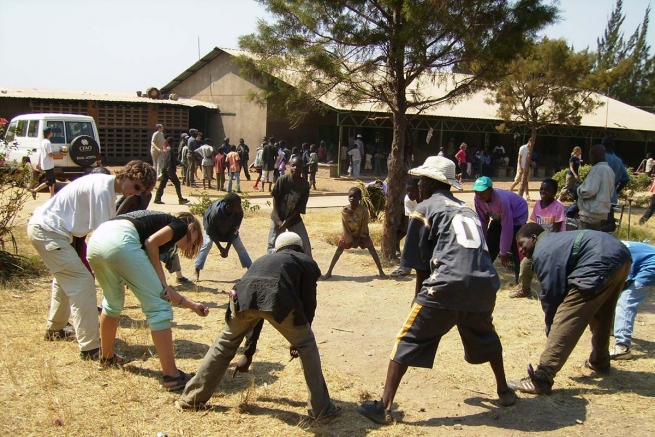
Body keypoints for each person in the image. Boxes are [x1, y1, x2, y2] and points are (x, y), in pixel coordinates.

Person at [357, 156, 515, 425]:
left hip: (446, 285)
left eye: (420, 181)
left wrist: (417, 300)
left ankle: (383, 406)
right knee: (487, 336)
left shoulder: (425, 208)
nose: (417, 186)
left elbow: (421, 266)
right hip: (484, 286)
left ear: (429, 184)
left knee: (406, 340)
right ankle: (504, 390)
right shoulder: (466, 210)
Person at [176, 232, 342, 424]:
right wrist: (299, 337)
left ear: (278, 249)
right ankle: (322, 410)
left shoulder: (263, 260)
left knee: (224, 344)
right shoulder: (305, 261)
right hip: (276, 297)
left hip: (240, 297)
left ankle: (191, 399)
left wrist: (248, 352)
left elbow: (258, 308)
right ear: (301, 248)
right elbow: (308, 303)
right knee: (307, 345)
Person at [28, 160, 156, 359]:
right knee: (82, 282)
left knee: (66, 281)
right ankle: (91, 348)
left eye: (142, 191)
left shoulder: (106, 187)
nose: (136, 193)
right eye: (137, 186)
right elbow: (104, 238)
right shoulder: (103, 192)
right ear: (126, 175)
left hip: (52, 232)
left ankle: (55, 329)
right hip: (48, 231)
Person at [87, 211, 208, 390]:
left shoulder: (151, 229)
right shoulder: (179, 226)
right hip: (120, 242)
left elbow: (160, 289)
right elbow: (152, 246)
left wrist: (191, 305)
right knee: (158, 308)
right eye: (193, 239)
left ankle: (106, 357)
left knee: (112, 303)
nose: (190, 245)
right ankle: (172, 376)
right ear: (191, 227)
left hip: (96, 242)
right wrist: (162, 279)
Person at [510, 224, 631, 395]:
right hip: (621, 256)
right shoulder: (555, 242)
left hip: (599, 259)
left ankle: (542, 378)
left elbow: (553, 296)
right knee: (602, 315)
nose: (521, 250)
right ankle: (600, 361)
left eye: (522, 244)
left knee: (568, 314)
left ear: (534, 238)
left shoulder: (542, 251)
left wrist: (552, 329)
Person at [511, 178, 565, 299]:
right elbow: (533, 226)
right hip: (538, 243)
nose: (543, 191)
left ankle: (552, 292)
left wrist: (545, 246)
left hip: (554, 243)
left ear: (554, 192)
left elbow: (556, 229)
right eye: (541, 189)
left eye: (547, 190)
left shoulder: (558, 207)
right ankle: (524, 289)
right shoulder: (537, 205)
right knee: (525, 264)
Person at [473, 176, 528, 284]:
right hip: (498, 218)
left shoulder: (501, 200)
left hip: (517, 216)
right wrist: (482, 242)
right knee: (490, 244)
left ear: (490, 190)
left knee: (516, 247)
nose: (479, 195)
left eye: (483, 192)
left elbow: (507, 226)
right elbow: (483, 222)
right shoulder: (477, 199)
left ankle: (521, 284)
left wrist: (503, 251)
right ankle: (482, 275)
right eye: (477, 192)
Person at [322, 187, 386, 279]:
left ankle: (381, 272)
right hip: (348, 234)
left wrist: (359, 239)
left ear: (360, 198)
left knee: (372, 250)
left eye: (355, 197)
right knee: (339, 250)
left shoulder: (363, 210)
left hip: (362, 233)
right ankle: (328, 272)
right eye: (350, 196)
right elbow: (345, 226)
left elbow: (364, 226)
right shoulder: (345, 210)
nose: (352, 198)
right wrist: (350, 240)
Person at [610, 241, 655, 360]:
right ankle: (611, 328)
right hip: (643, 263)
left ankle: (622, 347)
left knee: (626, 301)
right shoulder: (608, 246)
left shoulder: (606, 250)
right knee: (617, 293)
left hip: (650, 266)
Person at [194, 193, 252, 281]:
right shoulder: (215, 213)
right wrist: (221, 249)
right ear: (228, 206)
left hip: (228, 229)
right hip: (212, 230)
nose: (240, 207)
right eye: (237, 205)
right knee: (207, 244)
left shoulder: (238, 212)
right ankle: (197, 270)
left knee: (239, 246)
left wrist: (227, 249)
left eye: (240, 204)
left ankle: (251, 271)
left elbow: (234, 230)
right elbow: (211, 231)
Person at [268, 156, 311, 256]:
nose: (296, 168)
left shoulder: (304, 185)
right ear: (289, 166)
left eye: (299, 166)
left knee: (305, 245)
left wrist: (287, 221)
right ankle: (270, 269)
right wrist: (279, 220)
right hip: (277, 216)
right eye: (293, 165)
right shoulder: (282, 180)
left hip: (294, 218)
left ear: (302, 168)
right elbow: (275, 200)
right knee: (272, 246)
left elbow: (299, 207)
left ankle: (310, 269)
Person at [576, 144, 614, 230]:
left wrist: (578, 190)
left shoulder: (596, 169)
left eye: (590, 156)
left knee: (585, 239)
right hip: (602, 213)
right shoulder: (609, 170)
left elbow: (588, 191)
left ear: (595, 155)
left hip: (590, 213)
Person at [390, 178, 420, 277]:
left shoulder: (428, 198)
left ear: (419, 189)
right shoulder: (408, 199)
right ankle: (405, 267)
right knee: (410, 240)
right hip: (417, 219)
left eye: (412, 191)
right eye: (407, 191)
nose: (409, 193)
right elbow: (411, 219)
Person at [153, 136, 189, 205]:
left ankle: (157, 198)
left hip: (165, 170)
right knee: (177, 183)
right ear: (172, 142)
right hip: (169, 170)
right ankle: (180, 199)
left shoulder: (167, 149)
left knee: (162, 184)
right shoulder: (169, 150)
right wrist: (170, 171)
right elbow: (169, 161)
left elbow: (174, 159)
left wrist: (181, 164)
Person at [30, 127, 58, 199]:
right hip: (48, 164)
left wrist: (39, 163)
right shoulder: (47, 143)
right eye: (51, 132)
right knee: (49, 181)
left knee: (53, 181)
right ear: (49, 133)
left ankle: (52, 196)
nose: (52, 133)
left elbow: (41, 153)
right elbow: (50, 154)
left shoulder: (43, 141)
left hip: (47, 164)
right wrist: (60, 156)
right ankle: (35, 190)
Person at [602, 135, 631, 204]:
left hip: (599, 197)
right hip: (612, 197)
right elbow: (625, 179)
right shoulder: (618, 160)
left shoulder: (601, 157)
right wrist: (615, 191)